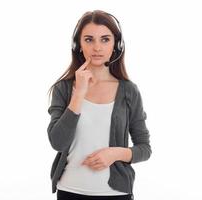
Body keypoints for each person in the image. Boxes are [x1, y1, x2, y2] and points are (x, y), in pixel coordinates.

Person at [47, 10, 152, 200]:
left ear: (116, 45)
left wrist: (116, 153)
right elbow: (57, 142)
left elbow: (144, 149)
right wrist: (79, 94)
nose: (97, 47)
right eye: (89, 39)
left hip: (116, 194)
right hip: (70, 191)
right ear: (78, 45)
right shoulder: (63, 89)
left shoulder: (129, 91)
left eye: (105, 39)